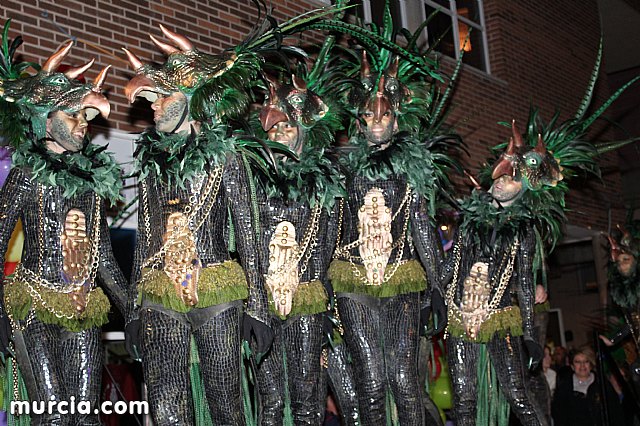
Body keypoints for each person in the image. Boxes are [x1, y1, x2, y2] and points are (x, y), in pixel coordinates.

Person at [122, 25, 272, 424]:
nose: (153, 107)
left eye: (161, 97)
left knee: (226, 401)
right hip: (160, 292)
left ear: (189, 99)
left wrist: (258, 308)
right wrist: (134, 309)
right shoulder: (152, 165)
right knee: (167, 403)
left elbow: (250, 235)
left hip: (218, 292)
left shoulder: (229, 158)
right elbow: (145, 238)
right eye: (150, 99)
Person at [0, 29, 128, 425]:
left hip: (84, 306)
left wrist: (133, 310)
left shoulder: (92, 184)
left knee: (86, 417)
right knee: (53, 416)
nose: (82, 126)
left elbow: (102, 256)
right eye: (72, 116)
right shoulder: (24, 174)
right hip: (33, 305)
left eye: (85, 119)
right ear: (47, 118)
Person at [328, 28, 457, 422]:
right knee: (369, 377)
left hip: (401, 276)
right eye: (368, 115)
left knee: (403, 377)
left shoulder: (410, 168)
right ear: (359, 120)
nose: (376, 122)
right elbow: (332, 230)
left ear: (396, 119)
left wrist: (436, 287)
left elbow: (421, 225)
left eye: (383, 115)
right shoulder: (344, 169)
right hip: (353, 279)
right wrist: (321, 292)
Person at [251, 68, 345, 425]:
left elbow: (332, 244)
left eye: (288, 126)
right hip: (263, 299)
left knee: (307, 397)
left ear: (304, 130)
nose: (280, 134)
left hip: (307, 298)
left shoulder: (325, 183)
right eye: (273, 128)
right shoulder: (252, 182)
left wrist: (332, 310)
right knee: (271, 399)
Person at [552, 346, 624, 426]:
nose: (582, 366)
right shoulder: (564, 387)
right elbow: (560, 417)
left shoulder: (602, 384)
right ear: (572, 366)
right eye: (578, 362)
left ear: (590, 364)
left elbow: (615, 411)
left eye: (586, 361)